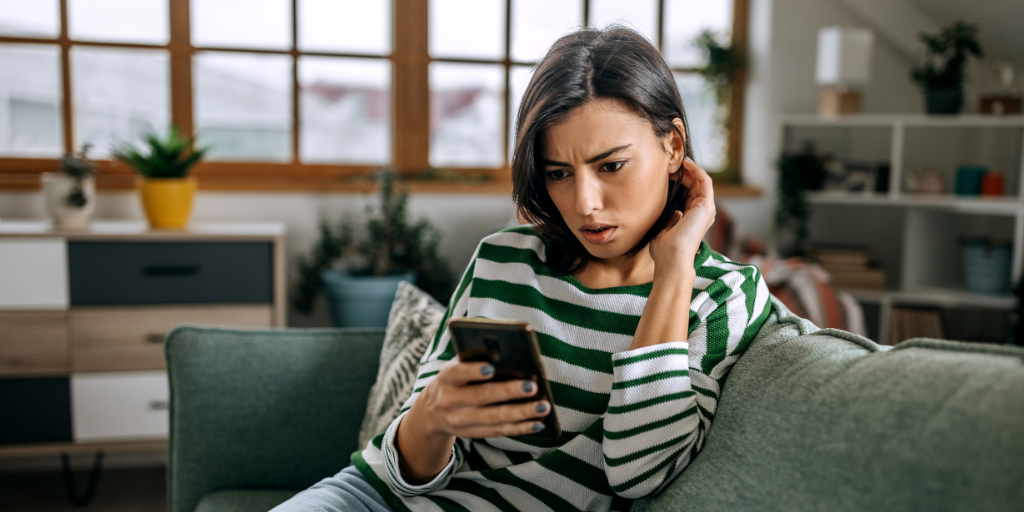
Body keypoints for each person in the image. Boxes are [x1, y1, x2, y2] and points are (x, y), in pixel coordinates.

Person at [273, 26, 770, 512]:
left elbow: (638, 470)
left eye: (611, 165)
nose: (584, 203)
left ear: (673, 147)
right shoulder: (503, 257)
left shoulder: (723, 295)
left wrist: (676, 264)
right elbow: (402, 475)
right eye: (558, 173)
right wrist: (433, 416)